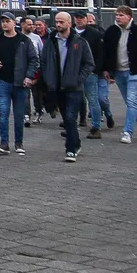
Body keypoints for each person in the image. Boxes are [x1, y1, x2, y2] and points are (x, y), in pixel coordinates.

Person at [39, 12, 95, 162]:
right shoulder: (51, 42)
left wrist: (78, 79)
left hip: (74, 87)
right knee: (66, 118)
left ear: (69, 23)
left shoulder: (79, 42)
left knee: (70, 117)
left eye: (61, 22)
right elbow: (43, 61)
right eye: (57, 22)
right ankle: (76, 143)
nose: (58, 24)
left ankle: (70, 149)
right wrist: (48, 78)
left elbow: (89, 64)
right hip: (57, 87)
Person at [102, 6, 137, 144]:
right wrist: (106, 69)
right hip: (119, 72)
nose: (118, 17)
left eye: (121, 15)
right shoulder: (111, 31)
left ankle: (127, 132)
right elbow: (106, 52)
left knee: (132, 101)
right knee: (130, 102)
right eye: (117, 15)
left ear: (129, 16)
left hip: (136, 71)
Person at [0, 14, 35, 155]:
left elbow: (33, 59)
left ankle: (19, 142)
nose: (4, 24)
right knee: (3, 113)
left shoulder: (24, 40)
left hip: (20, 83)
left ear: (14, 23)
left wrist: (29, 76)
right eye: (2, 21)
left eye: (7, 21)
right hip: (2, 81)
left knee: (19, 115)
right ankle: (4, 143)